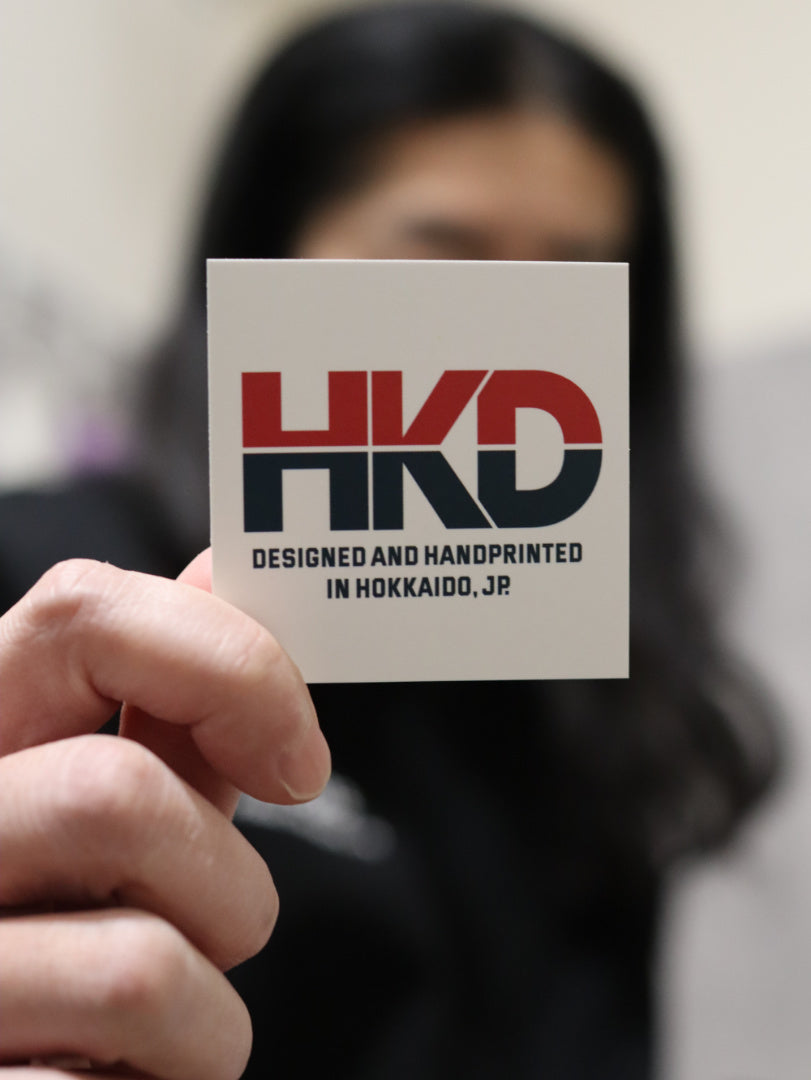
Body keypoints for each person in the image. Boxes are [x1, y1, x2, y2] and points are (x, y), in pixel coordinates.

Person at [0, 4, 778, 1078]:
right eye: (442, 254)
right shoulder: (48, 594)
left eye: (575, 279)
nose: (510, 332)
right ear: (272, 252)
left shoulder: (596, 713)